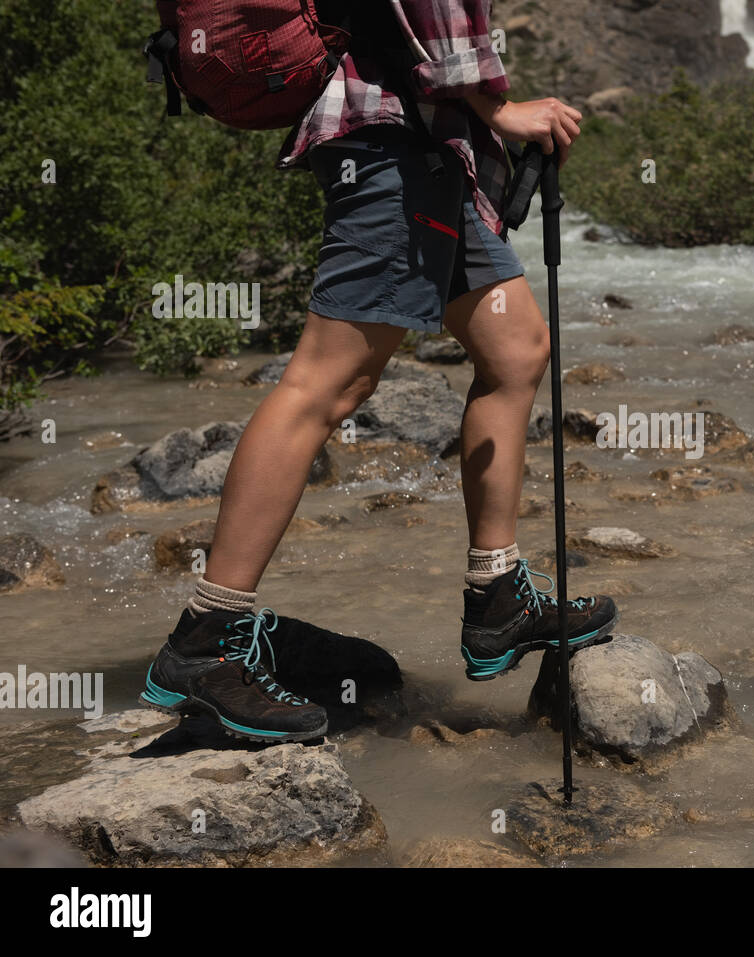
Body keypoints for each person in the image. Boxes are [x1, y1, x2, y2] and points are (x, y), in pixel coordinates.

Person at [139, 0, 619, 742]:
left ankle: (498, 598)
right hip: (391, 140)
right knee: (326, 385)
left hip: (428, 143)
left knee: (515, 348)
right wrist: (501, 108)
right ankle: (207, 637)